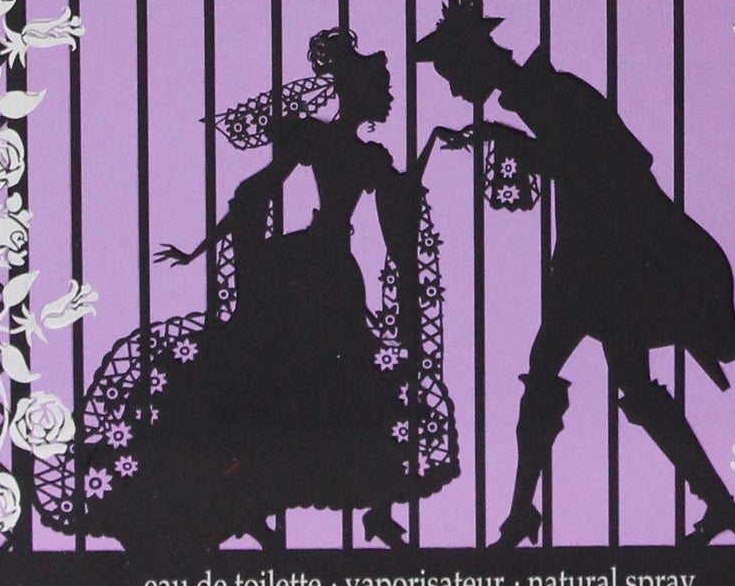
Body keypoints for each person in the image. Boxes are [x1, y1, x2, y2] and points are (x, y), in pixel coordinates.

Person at [40, 28, 456, 554]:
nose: (389, 97)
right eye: (382, 87)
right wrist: (203, 248)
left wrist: (416, 172)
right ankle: (262, 502)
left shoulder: (367, 155)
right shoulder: (326, 142)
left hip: (330, 269)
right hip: (310, 269)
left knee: (346, 379)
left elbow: (387, 213)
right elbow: (255, 191)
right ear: (356, 91)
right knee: (307, 380)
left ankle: (369, 506)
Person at [415, 0, 735, 548]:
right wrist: (504, 136)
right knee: (613, 381)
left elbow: (607, 162)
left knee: (558, 369)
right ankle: (716, 502)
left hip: (607, 263)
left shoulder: (553, 92)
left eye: (454, 75)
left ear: (479, 59)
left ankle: (525, 515)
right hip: (597, 260)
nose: (455, 88)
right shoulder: (535, 95)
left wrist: (507, 140)